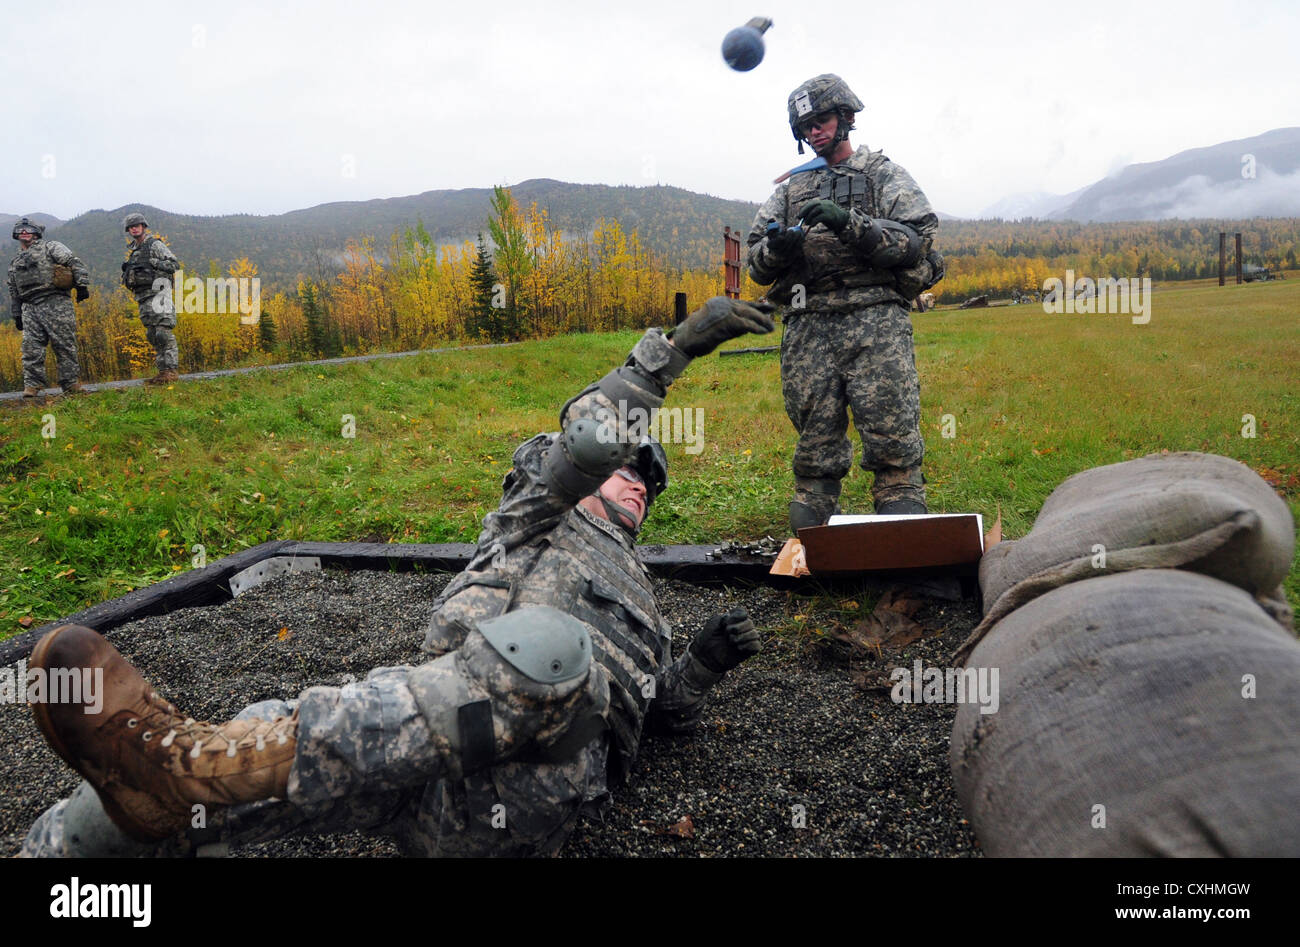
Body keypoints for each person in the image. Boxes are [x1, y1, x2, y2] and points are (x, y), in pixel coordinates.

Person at [20, 296, 775, 858]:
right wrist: (668, 354)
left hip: (535, 792)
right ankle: (63, 850)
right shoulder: (541, 513)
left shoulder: (645, 595)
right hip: (431, 740)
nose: (643, 481)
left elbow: (650, 721)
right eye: (634, 468)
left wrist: (700, 668)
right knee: (249, 747)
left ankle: (187, 765)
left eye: (655, 483)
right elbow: (581, 444)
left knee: (558, 652)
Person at [747, 74, 945, 531]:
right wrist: (779, 248)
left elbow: (914, 244)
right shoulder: (788, 190)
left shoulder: (882, 175)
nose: (814, 132)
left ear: (846, 119)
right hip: (808, 323)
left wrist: (850, 224)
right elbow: (757, 264)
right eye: (806, 127)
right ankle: (816, 504)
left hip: (874, 319)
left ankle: (898, 497)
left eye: (822, 121)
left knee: (890, 424)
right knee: (815, 431)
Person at [6, 217, 90, 399]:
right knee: (30, 348)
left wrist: (82, 285)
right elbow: (14, 290)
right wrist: (17, 314)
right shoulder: (15, 262)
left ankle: (70, 383)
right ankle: (32, 385)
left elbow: (73, 262)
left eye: (28, 229)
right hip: (29, 307)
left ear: (36, 232)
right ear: (16, 234)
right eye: (21, 229)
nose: (24, 232)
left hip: (55, 302)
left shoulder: (50, 247)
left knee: (64, 344)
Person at [121, 212, 181, 385]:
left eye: (137, 225)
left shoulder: (154, 244)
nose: (134, 228)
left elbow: (174, 265)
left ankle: (171, 370)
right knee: (152, 334)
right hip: (143, 297)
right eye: (131, 227)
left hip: (159, 294)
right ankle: (162, 372)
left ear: (143, 226)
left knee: (163, 332)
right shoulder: (135, 251)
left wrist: (155, 263)